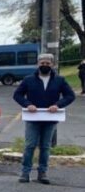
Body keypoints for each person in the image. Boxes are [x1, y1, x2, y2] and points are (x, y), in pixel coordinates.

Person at [13, 53, 75, 184]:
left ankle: (43, 172)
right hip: (32, 118)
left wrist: (58, 105)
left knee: (45, 147)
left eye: (48, 63)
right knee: (30, 145)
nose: (45, 65)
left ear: (52, 65)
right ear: (38, 64)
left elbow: (70, 96)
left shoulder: (60, 80)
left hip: (50, 119)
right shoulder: (28, 79)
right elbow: (17, 95)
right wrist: (27, 104)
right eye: (42, 63)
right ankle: (25, 172)